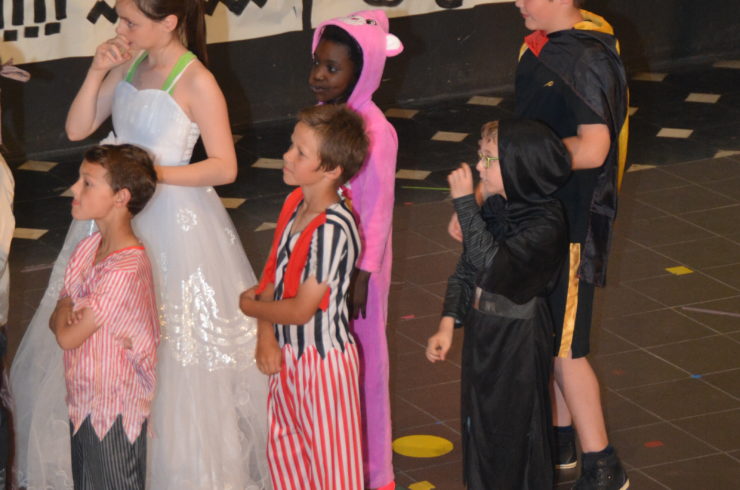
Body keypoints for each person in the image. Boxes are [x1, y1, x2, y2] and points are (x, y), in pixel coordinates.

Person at [11, 0, 270, 487]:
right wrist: (97, 71)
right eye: (120, 18)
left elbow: (224, 166)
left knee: (171, 344)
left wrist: (146, 176)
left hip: (171, 222)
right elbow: (77, 128)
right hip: (114, 213)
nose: (121, 28)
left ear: (169, 22)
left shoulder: (196, 80)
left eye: (131, 20)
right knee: (100, 333)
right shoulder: (129, 64)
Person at [450, 1, 630, 488]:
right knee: (545, 335)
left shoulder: (588, 57)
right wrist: (494, 191)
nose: (517, 2)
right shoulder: (536, 49)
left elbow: (594, 147)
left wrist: (513, 169)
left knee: (566, 347)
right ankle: (561, 440)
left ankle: (603, 464)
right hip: (533, 212)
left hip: (569, 224)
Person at [428, 119, 571, 489]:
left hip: (517, 339)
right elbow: (468, 268)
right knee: (480, 426)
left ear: (519, 166)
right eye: (480, 156)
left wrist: (465, 203)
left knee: (514, 430)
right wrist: (448, 323)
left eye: (488, 159)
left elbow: (493, 267)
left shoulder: (546, 223)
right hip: (484, 330)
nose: (479, 166)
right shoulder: (497, 206)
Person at [239, 104, 369, 490]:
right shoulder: (294, 203)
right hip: (288, 357)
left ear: (332, 169)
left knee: (334, 471)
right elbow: (271, 277)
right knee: (287, 458)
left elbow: (300, 310)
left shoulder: (333, 229)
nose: (287, 155)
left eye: (300, 152)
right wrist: (265, 335)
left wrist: (249, 308)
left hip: (323, 364)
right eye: (291, 146)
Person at [309, 11, 402, 489]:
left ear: (363, 72)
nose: (319, 76)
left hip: (357, 271)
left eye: (333, 68)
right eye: (317, 64)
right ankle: (332, 458)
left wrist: (362, 273)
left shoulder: (375, 130)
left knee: (365, 363)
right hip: (322, 254)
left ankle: (373, 471)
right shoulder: (327, 118)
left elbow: (379, 209)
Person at [50, 144, 158, 488]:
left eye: (87, 183)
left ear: (120, 197)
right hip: (82, 400)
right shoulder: (87, 247)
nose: (74, 189)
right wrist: (66, 308)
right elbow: (58, 314)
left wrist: (67, 307)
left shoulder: (126, 268)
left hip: (115, 410)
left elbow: (66, 335)